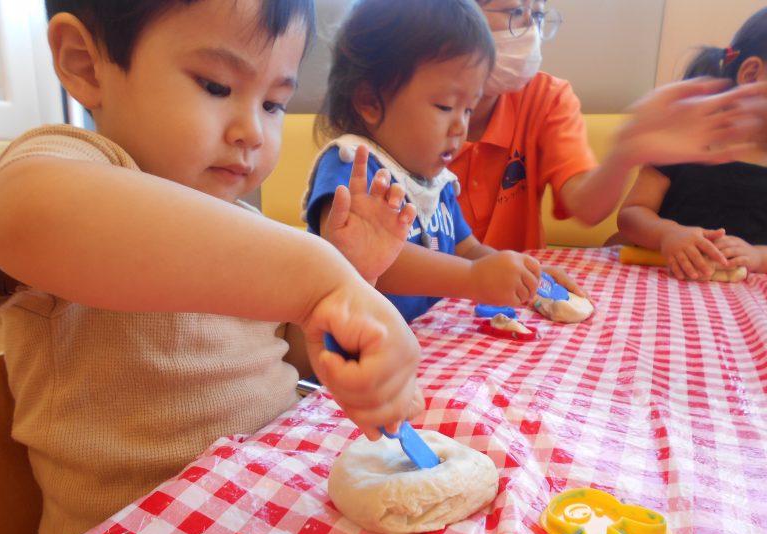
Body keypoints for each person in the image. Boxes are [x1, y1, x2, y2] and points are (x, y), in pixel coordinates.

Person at [0, 0, 423, 534]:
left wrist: (354, 281)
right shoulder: (77, 167)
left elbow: (285, 367)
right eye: (214, 85)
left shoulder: (249, 236)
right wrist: (318, 275)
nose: (252, 131)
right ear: (85, 64)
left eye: (275, 103)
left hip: (268, 524)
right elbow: (22, 216)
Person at [303, 0, 565, 324]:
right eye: (445, 106)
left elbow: (466, 249)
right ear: (369, 101)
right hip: (349, 358)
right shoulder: (353, 167)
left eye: (468, 109)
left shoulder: (436, 183)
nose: (461, 127)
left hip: (420, 347)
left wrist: (522, 275)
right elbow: (374, 261)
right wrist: (473, 278)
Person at [451, 0, 767, 252]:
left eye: (539, 16)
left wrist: (626, 149)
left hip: (510, 288)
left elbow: (587, 208)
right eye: (515, 11)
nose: (530, 31)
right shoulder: (408, 101)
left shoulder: (547, 97)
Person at [617, 8, 767, 281]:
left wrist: (759, 255)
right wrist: (667, 234)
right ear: (752, 73)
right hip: (660, 288)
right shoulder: (681, 141)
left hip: (744, 304)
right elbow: (630, 215)